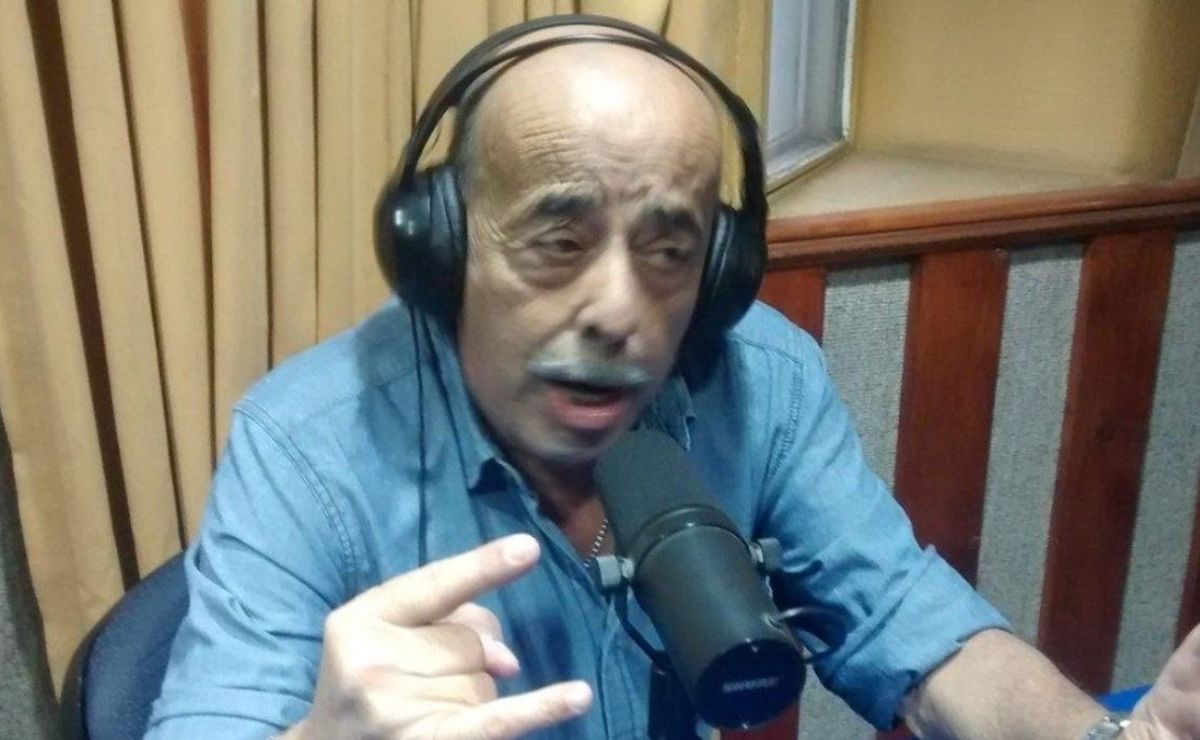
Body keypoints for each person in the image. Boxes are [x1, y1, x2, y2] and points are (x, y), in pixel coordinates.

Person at [146, 17, 1199, 740]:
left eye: (668, 250)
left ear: (722, 269)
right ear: (444, 250)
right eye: (558, 241)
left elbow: (907, 623)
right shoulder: (303, 448)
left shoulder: (760, 380)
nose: (619, 309)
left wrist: (1108, 737)